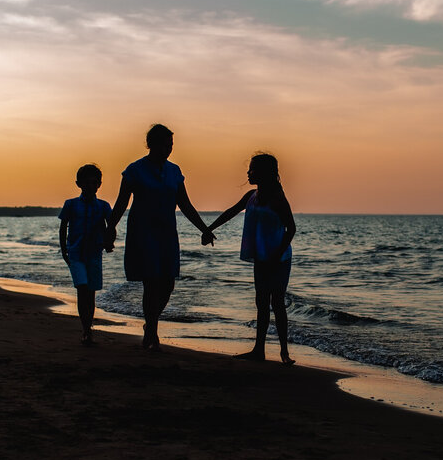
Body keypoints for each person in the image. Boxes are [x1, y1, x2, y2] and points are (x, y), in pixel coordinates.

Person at [106, 124, 214, 350]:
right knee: (151, 283)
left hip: (167, 233)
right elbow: (121, 202)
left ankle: (150, 324)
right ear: (151, 144)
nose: (168, 149)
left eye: (171, 145)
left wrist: (204, 228)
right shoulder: (134, 170)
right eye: (165, 145)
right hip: (142, 232)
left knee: (168, 284)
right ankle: (152, 333)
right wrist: (110, 227)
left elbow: (184, 204)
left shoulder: (174, 171)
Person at [204, 152, 296, 364]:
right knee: (261, 302)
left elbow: (291, 228)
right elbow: (231, 212)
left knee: (278, 303)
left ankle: (284, 353)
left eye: (253, 169)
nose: (248, 172)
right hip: (261, 257)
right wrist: (209, 228)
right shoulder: (251, 196)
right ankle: (259, 350)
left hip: (279, 258)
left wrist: (278, 253)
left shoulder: (278, 199)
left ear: (266, 173)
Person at [59, 163, 113, 346]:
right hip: (75, 253)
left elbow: (110, 226)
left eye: (94, 183)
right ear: (78, 184)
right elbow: (63, 226)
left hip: (94, 254)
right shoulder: (71, 204)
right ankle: (85, 329)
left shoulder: (104, 206)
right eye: (86, 183)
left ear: (99, 184)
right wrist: (64, 249)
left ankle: (88, 328)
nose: (90, 186)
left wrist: (109, 242)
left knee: (90, 293)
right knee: (82, 289)